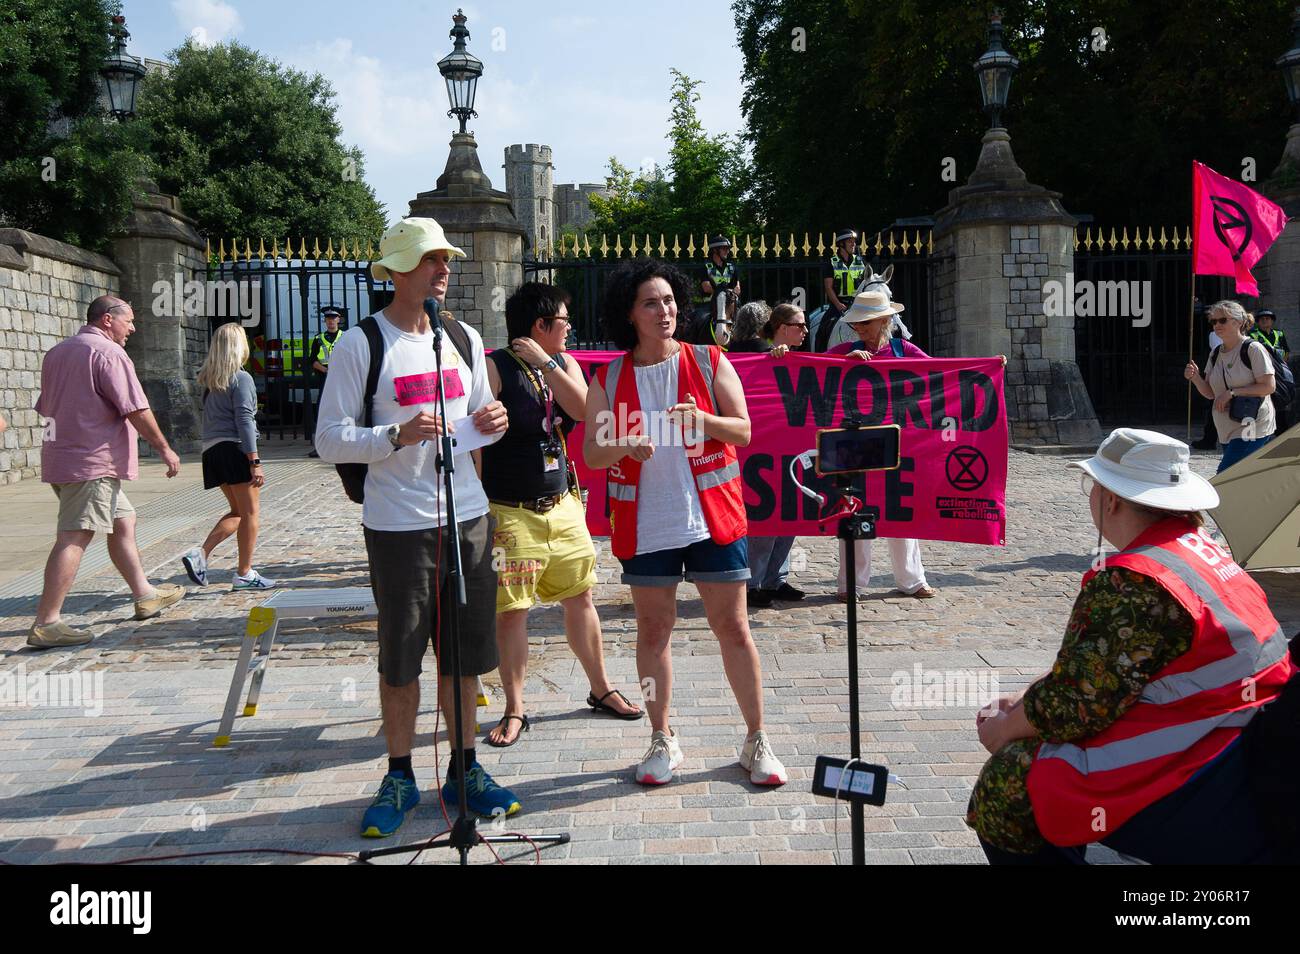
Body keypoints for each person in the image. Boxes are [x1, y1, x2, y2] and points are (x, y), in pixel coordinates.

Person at [967, 428, 1295, 864]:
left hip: (1206, 756)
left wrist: (1005, 727)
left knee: (1007, 786)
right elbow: (1110, 668)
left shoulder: (1136, 581)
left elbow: (1074, 706)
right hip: (1240, 729)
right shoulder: (1200, 551)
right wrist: (1025, 698)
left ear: (1112, 500)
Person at [315, 217, 514, 836]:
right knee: (401, 656)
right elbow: (327, 439)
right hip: (399, 524)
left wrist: (496, 420)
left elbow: (477, 420)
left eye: (446, 259)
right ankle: (399, 773)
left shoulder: (464, 337)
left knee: (465, 654)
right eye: (431, 260)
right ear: (398, 271)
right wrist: (392, 435)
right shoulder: (360, 344)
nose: (444, 269)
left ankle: (465, 768)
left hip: (468, 517)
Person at [583, 257, 787, 787]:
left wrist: (704, 420)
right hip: (645, 525)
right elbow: (593, 452)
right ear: (629, 314)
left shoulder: (708, 358)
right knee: (653, 632)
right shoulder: (609, 375)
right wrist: (624, 443)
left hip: (711, 519)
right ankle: (662, 736)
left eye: (670, 300)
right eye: (651, 302)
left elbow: (742, 431)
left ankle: (755, 737)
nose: (664, 310)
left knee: (735, 629)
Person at [481, 282, 642, 747]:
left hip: (563, 503)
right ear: (540, 325)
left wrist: (548, 363)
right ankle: (515, 709)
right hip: (511, 511)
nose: (570, 329)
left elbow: (585, 412)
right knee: (512, 613)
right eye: (564, 321)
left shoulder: (562, 364)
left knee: (582, 598)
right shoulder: (495, 367)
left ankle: (600, 688)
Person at [29, 295, 184, 648]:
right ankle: (46, 622)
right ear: (107, 319)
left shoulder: (57, 352)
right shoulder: (109, 354)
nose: (133, 327)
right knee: (76, 535)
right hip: (92, 462)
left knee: (123, 521)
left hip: (62, 457)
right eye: (128, 320)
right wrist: (164, 447)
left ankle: (145, 594)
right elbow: (136, 408)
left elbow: (46, 406)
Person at [828, 290, 936, 600]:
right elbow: (807, 367)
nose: (858, 328)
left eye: (865, 322)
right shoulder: (845, 350)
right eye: (857, 323)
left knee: (901, 510)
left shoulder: (906, 351)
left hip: (898, 443)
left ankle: (912, 580)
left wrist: (988, 365)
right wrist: (843, 363)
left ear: (884, 321)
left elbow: (943, 372)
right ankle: (852, 583)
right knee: (855, 511)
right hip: (855, 444)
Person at [181, 322, 274, 591]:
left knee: (238, 511)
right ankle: (244, 573)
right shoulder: (241, 378)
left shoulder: (211, 381)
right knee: (251, 513)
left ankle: (200, 554)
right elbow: (244, 419)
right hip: (234, 449)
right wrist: (254, 460)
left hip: (212, 450)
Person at [745, 303, 810, 607]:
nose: (805, 331)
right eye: (800, 325)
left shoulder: (802, 358)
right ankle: (753, 583)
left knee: (790, 516)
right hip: (768, 449)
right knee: (767, 521)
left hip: (795, 448)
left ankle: (775, 579)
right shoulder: (765, 356)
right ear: (783, 328)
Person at [1183, 300, 1276, 473]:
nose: (1217, 325)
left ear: (1238, 322)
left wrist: (1231, 393)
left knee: (1224, 476)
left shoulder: (1253, 349)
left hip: (1252, 424)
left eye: (1222, 320)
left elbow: (1268, 386)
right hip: (1227, 427)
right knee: (1240, 479)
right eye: (1213, 321)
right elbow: (1210, 393)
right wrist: (1195, 378)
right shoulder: (1216, 352)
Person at [815, 228, 866, 352]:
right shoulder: (831, 263)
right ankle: (820, 353)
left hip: (857, 304)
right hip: (838, 305)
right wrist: (838, 305)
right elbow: (828, 287)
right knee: (824, 327)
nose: (853, 244)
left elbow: (865, 284)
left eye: (854, 241)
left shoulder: (860, 262)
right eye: (850, 241)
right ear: (841, 244)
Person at [306, 306, 344, 458]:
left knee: (342, 410)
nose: (331, 322)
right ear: (325, 321)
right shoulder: (318, 339)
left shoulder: (345, 336)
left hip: (342, 379)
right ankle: (320, 446)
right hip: (325, 378)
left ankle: (344, 444)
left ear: (338, 320)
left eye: (333, 318)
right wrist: (327, 371)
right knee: (323, 412)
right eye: (328, 319)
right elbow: (313, 361)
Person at [698, 235, 741, 305]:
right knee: (701, 316)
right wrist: (726, 292)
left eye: (728, 249)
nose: (727, 251)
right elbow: (706, 288)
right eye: (724, 249)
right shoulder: (706, 267)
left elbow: (737, 288)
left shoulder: (732, 267)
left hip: (730, 303)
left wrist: (730, 294)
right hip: (710, 304)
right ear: (715, 250)